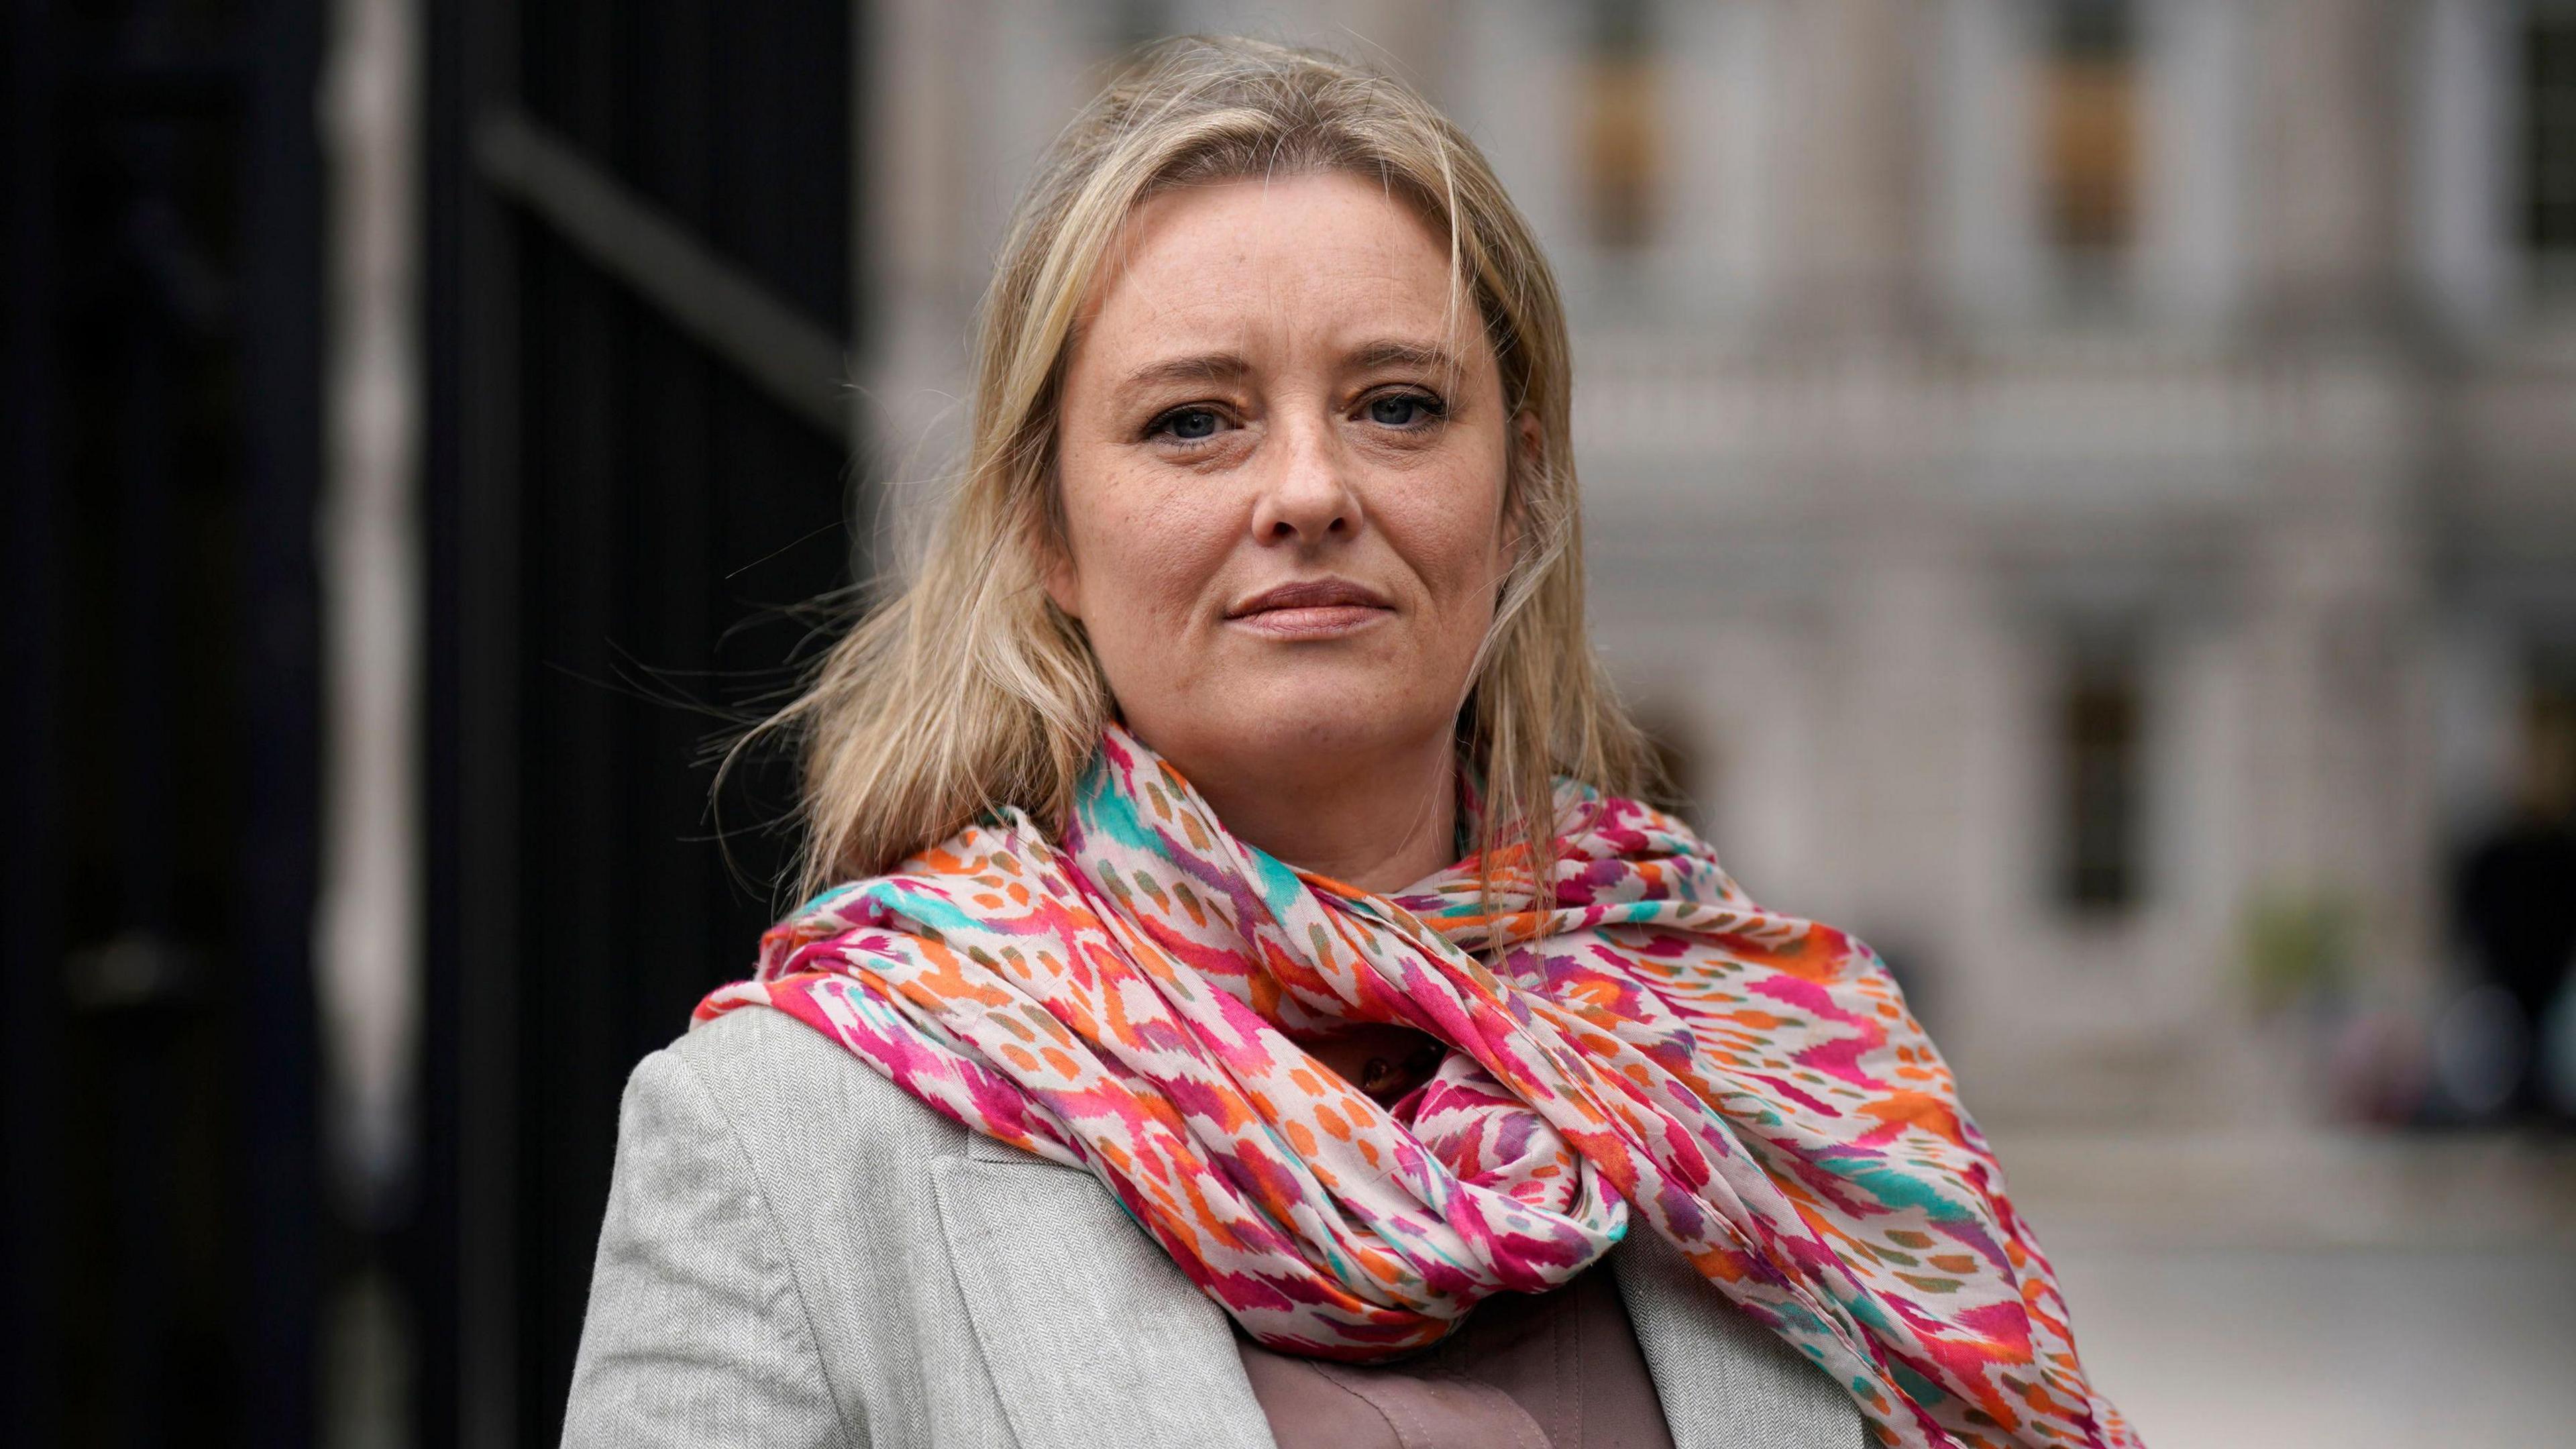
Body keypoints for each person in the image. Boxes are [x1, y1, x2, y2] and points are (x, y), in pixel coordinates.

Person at [560, 36, 2133, 1449]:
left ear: (1518, 495)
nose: (1308, 489)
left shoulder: (1783, 1073)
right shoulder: (781, 1134)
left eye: (1395, 406)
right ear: (1048, 524)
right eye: (1196, 420)